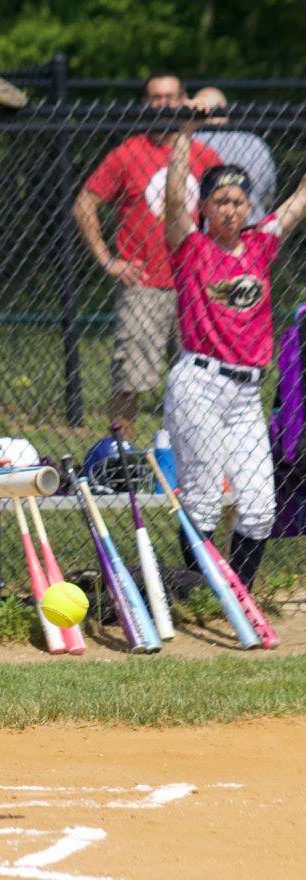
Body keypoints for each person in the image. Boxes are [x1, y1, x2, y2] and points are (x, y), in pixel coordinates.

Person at [164, 97, 306, 590]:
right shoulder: (192, 248)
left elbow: (298, 201)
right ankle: (206, 592)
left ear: (249, 207)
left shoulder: (261, 244)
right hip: (199, 382)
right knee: (202, 496)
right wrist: (185, 132)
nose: (229, 208)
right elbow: (173, 202)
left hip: (246, 393)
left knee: (260, 505)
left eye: (237, 201)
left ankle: (237, 595)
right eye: (219, 201)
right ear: (205, 207)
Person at [73, 74, 221, 439]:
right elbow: (84, 204)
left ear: (183, 100)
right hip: (144, 285)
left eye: (170, 97)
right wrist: (109, 261)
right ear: (145, 104)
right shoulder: (127, 154)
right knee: (130, 379)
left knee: (202, 380)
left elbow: (224, 212)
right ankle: (121, 461)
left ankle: (196, 456)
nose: (163, 104)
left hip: (195, 286)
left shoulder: (204, 156)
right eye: (155, 98)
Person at [193, 87, 276, 224]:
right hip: (253, 230)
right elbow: (268, 196)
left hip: (207, 236)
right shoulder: (255, 143)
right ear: (224, 109)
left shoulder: (191, 142)